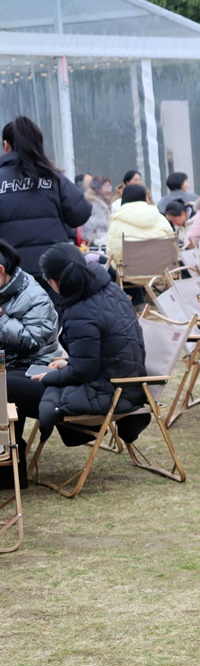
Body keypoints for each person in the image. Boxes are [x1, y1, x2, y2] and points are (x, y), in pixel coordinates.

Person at [7, 243, 147, 468]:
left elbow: (84, 371)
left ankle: (12, 462)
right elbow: (106, 349)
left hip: (106, 391)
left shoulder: (81, 310)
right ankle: (13, 456)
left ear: (55, 282)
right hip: (121, 382)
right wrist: (69, 362)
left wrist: (52, 376)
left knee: (6, 386)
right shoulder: (109, 289)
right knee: (12, 377)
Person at [0, 116, 91, 283]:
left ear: (6, 145)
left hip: (11, 275)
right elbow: (80, 213)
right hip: (53, 271)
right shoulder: (53, 177)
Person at [0, 240, 59, 370]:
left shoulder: (34, 296)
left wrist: (2, 319)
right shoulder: (3, 290)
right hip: (7, 363)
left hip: (31, 365)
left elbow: (34, 342)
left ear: (1, 270)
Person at [106, 184, 175, 263]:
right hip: (163, 268)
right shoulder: (160, 218)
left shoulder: (117, 220)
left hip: (129, 269)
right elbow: (173, 245)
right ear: (145, 198)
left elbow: (113, 254)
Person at [82, 176, 113, 245]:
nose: (110, 190)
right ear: (98, 189)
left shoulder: (103, 203)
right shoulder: (93, 205)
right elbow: (88, 231)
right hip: (96, 245)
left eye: (110, 187)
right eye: (107, 187)